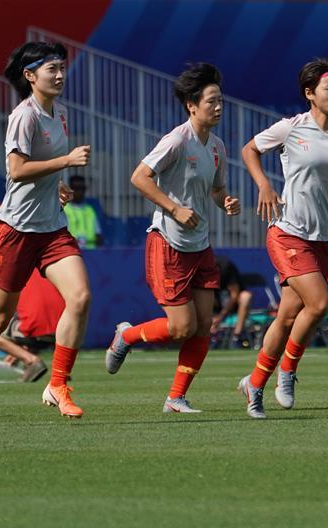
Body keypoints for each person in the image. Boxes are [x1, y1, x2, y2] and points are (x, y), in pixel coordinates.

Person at [0, 41, 92, 428]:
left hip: (52, 227)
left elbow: (43, 166)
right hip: (15, 229)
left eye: (62, 67)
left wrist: (59, 182)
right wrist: (65, 161)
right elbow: (16, 169)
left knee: (79, 297)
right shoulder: (23, 116)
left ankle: (58, 385)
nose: (60, 75)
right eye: (52, 69)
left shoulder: (59, 112)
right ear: (31, 76)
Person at [104, 63, 240, 413]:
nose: (219, 106)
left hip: (200, 245)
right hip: (168, 243)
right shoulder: (176, 140)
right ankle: (126, 336)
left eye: (221, 100)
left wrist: (224, 201)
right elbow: (139, 177)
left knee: (203, 326)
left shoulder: (217, 146)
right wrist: (175, 208)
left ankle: (176, 397)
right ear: (192, 105)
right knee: (182, 327)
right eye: (212, 101)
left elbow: (217, 188)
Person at [239, 57, 328, 419]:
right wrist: (264, 184)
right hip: (288, 231)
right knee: (320, 304)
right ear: (310, 93)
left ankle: (254, 383)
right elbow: (249, 150)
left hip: (326, 237)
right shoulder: (291, 128)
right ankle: (288, 371)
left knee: (287, 316)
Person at [0, 201, 48, 382]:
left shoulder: (10, 237)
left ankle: (29, 361)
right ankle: (18, 360)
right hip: (4, 287)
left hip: (6, 287)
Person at [212, 255, 253, 348]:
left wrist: (221, 316)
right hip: (214, 306)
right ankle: (208, 336)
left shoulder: (226, 266)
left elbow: (234, 295)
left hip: (233, 305)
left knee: (246, 296)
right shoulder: (201, 269)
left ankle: (236, 337)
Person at [63, 175, 104, 248]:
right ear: (70, 190)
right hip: (72, 251)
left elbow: (98, 235)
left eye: (82, 188)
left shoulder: (90, 210)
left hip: (91, 252)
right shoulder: (64, 209)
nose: (79, 191)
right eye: (76, 188)